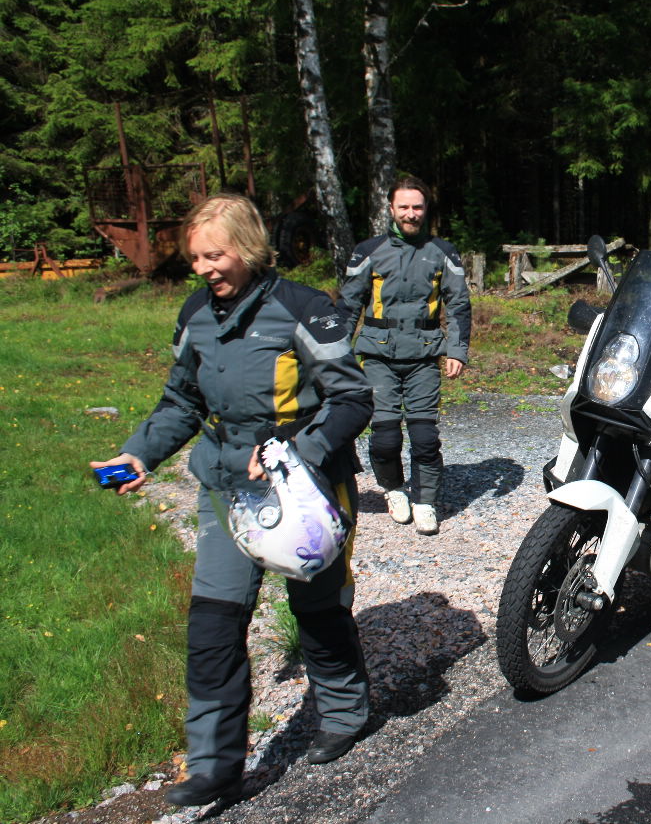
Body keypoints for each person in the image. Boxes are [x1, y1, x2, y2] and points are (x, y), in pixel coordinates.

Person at [90, 193, 373, 808]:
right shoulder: (196, 313)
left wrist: (293, 453)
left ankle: (345, 714)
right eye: (195, 258)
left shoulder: (303, 307)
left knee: (318, 609)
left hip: (306, 485)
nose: (203, 269)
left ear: (247, 248)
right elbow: (181, 401)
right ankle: (215, 766)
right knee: (213, 623)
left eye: (214, 256)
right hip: (226, 488)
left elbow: (353, 398)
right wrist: (139, 454)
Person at [339, 174, 471, 535]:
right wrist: (336, 354)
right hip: (377, 356)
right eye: (404, 207)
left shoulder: (443, 252)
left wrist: (457, 350)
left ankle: (425, 501)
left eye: (417, 207)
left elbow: (459, 305)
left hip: (424, 357)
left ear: (426, 209)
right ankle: (394, 489)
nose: (411, 213)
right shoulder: (368, 251)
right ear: (391, 209)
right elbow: (349, 305)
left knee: (425, 437)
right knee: (385, 437)